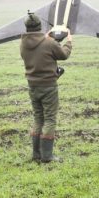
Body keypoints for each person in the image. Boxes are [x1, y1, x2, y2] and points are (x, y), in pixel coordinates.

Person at [20, 12, 72, 163]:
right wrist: (69, 41)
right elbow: (63, 54)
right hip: (48, 86)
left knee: (38, 118)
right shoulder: (49, 42)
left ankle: (36, 154)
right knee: (49, 119)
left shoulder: (23, 43)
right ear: (39, 26)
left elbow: (39, 49)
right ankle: (47, 156)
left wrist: (47, 37)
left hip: (32, 86)